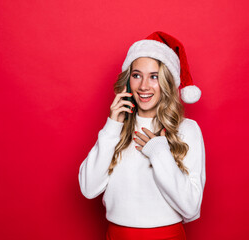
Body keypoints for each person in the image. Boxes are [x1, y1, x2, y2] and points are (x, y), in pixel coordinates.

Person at [78, 31, 206, 240]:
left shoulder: (187, 129)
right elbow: (88, 188)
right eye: (137, 75)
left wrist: (159, 153)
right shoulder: (116, 128)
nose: (144, 86)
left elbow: (191, 208)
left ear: (166, 81)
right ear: (129, 80)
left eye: (154, 77)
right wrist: (112, 126)